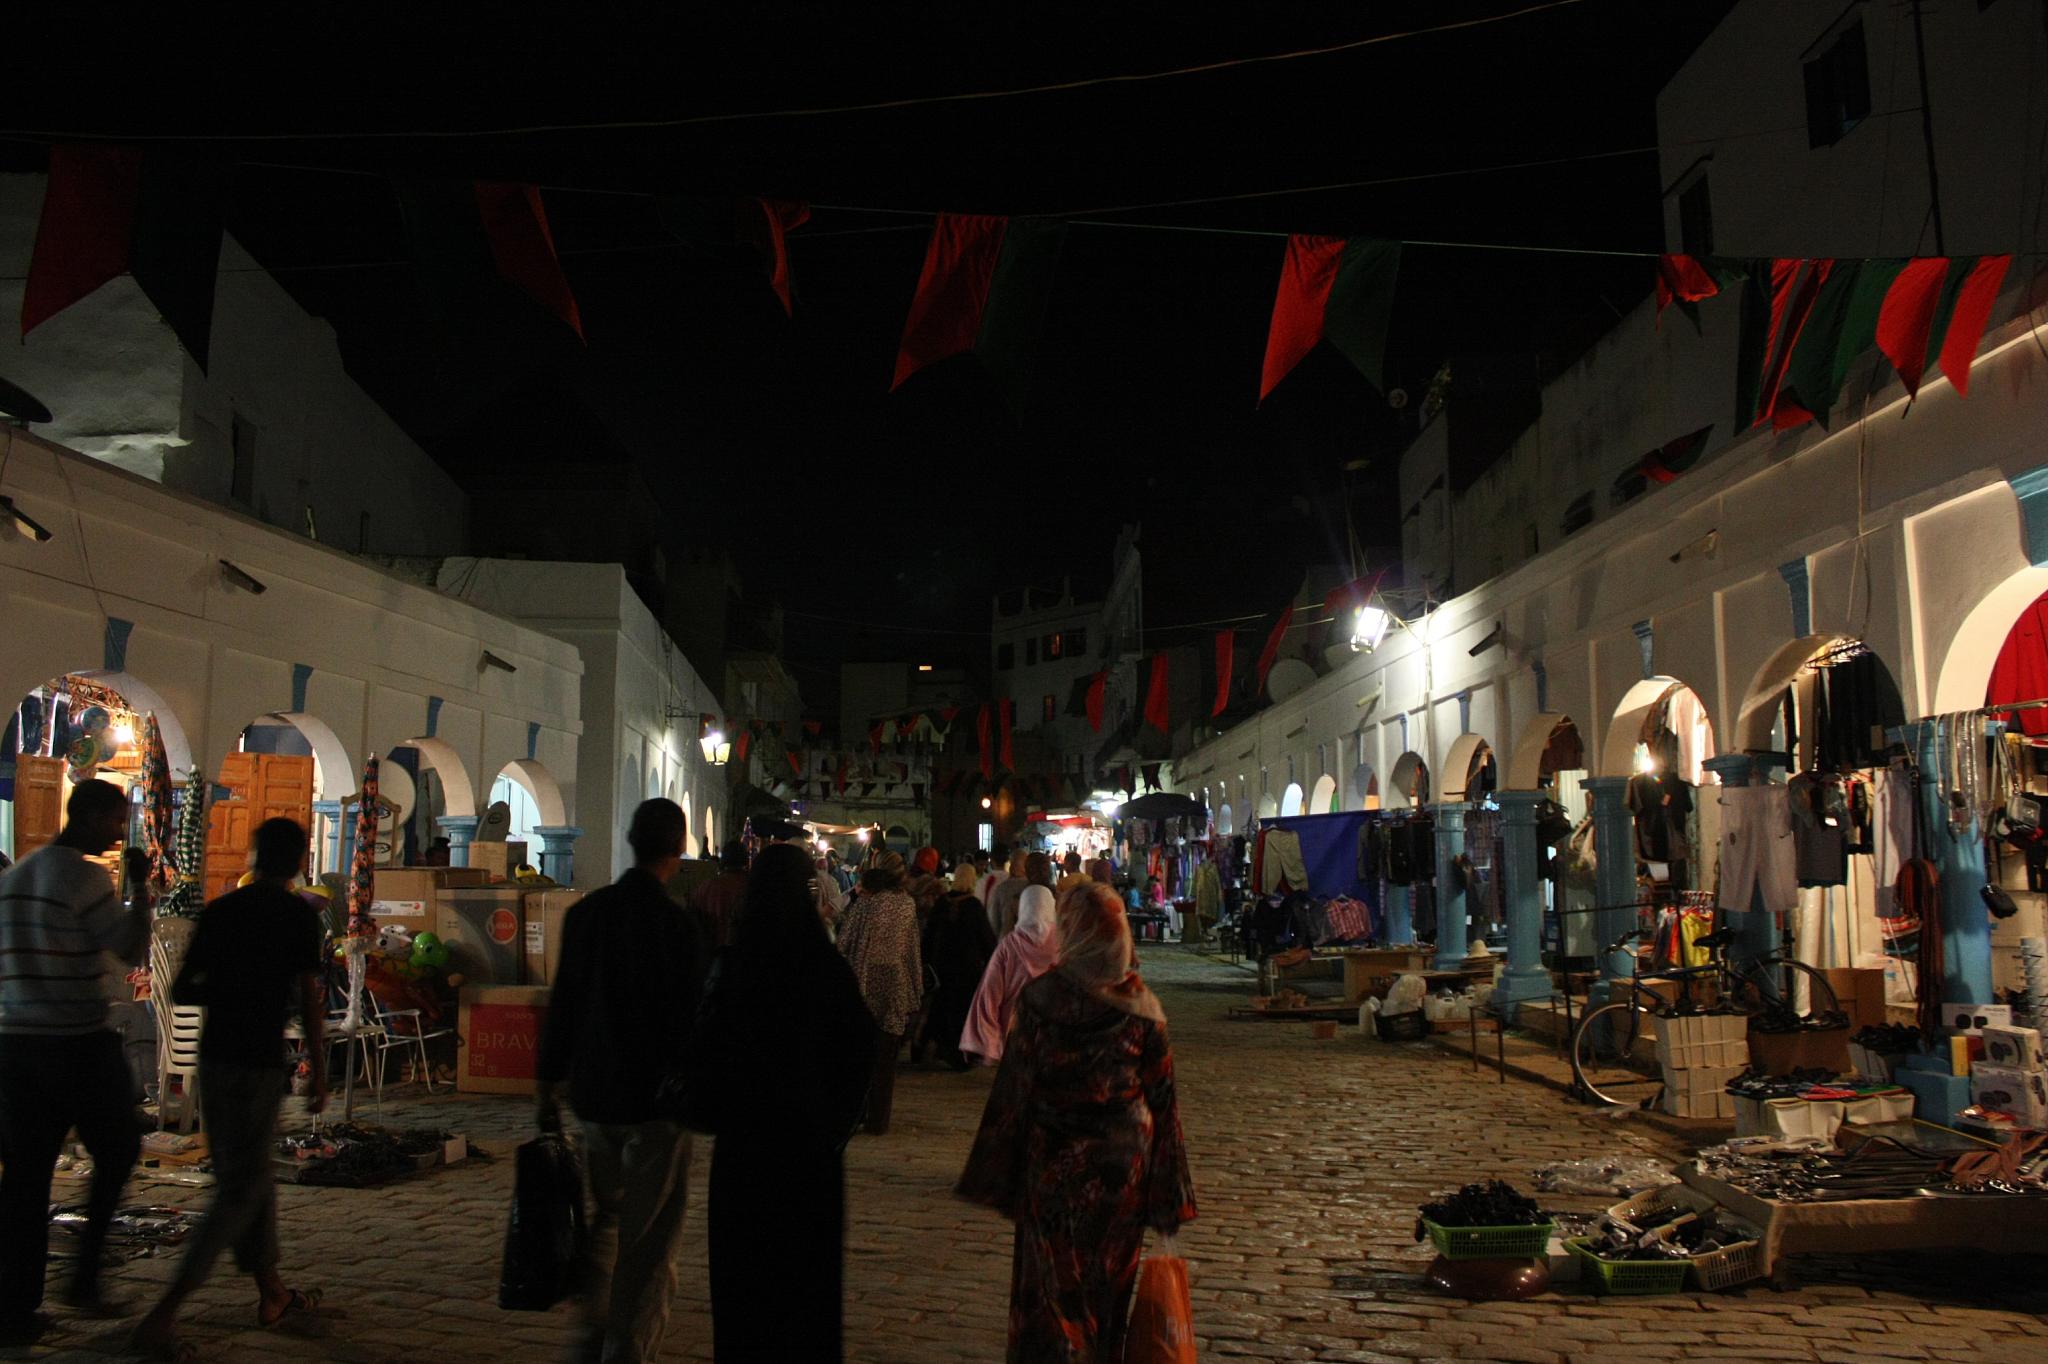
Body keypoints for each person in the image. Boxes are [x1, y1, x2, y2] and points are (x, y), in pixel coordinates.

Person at [957, 881, 1195, 1361]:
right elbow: (1164, 1101)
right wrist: (1168, 1194)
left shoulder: (1042, 1000)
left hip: (1053, 1173)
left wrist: (997, 1174)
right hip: (1121, 1176)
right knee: (1107, 1291)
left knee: (1051, 1292)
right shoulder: (1142, 1008)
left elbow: (1015, 1090)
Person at [131, 818, 327, 1358]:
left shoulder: (221, 911)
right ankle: (164, 1313)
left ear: (255, 854)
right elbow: (308, 996)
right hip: (258, 1060)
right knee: (240, 1190)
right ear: (297, 860)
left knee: (249, 1176)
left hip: (215, 1058)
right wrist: (319, 1068)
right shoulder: (295, 915)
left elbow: (187, 986)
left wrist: (230, 983)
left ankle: (273, 1294)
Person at [536, 799, 712, 1364]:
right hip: (656, 1104)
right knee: (650, 1238)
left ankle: (592, 1322)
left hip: (594, 1095)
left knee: (604, 1215)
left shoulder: (588, 916)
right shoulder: (680, 928)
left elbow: (563, 1004)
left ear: (630, 842)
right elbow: (692, 1022)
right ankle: (626, 1349)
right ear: (678, 851)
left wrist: (547, 1084)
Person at [687, 843, 872, 1362]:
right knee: (805, 1294)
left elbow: (703, 1054)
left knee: (744, 1292)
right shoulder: (826, 971)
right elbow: (857, 1059)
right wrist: (831, 1126)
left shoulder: (736, 968)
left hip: (744, 1156)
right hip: (808, 1159)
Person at [0, 778, 148, 1342]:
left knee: (26, 1177)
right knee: (118, 1148)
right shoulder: (85, 877)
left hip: (15, 1042)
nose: (117, 833)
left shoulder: (14, 878)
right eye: (115, 821)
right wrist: (139, 886)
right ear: (88, 817)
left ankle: (14, 1309)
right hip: (76, 1040)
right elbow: (129, 946)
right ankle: (84, 1278)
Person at [833, 851, 921, 1135]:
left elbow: (844, 943)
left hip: (865, 983)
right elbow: (911, 948)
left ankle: (857, 1111)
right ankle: (879, 1119)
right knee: (886, 1058)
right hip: (895, 984)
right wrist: (916, 987)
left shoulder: (865, 905)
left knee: (860, 1054)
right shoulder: (907, 905)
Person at [958, 884, 1058, 1066]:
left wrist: (987, 1040)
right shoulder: (1064, 944)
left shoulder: (1009, 945)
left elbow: (989, 993)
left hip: (1014, 1029)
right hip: (1055, 1029)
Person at [920, 865, 997, 1071]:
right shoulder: (974, 906)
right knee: (962, 1010)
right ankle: (959, 1054)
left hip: (941, 966)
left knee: (942, 1005)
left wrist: (926, 960)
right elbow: (986, 940)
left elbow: (929, 935)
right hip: (967, 969)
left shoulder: (942, 903)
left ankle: (933, 1045)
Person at [690, 839, 750, 948]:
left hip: (711, 950)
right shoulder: (751, 886)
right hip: (742, 951)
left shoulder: (706, 887)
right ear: (746, 859)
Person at [975, 843, 1010, 917]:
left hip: (988, 924)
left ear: (991, 860)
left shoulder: (983, 881)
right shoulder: (1012, 880)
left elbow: (978, 907)